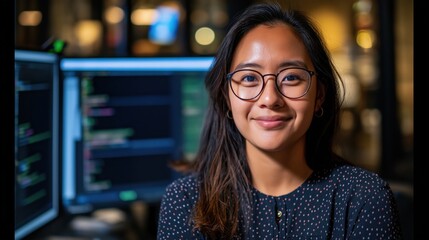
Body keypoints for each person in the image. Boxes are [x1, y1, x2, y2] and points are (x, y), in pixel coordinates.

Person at [157, 2, 403, 239]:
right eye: (250, 78)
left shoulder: (363, 197)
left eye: (291, 77)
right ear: (226, 97)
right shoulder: (186, 201)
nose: (270, 98)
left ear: (319, 95)